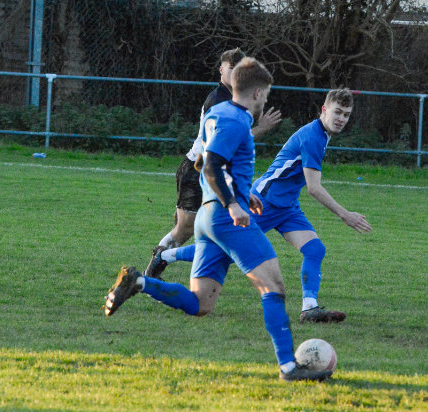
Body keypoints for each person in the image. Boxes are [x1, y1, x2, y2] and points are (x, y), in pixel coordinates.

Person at [104, 57, 331, 382]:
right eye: (266, 94)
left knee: (200, 304)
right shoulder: (235, 121)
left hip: (209, 217)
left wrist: (243, 193)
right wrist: (233, 204)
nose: (265, 101)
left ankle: (138, 282)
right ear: (256, 93)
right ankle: (288, 368)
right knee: (273, 287)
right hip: (226, 217)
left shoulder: (220, 113)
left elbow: (207, 162)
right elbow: (210, 166)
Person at [147, 89, 373, 324]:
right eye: (337, 112)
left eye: (346, 115)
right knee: (225, 252)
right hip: (264, 202)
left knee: (315, 249)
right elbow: (314, 188)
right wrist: (345, 215)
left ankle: (309, 308)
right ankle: (165, 255)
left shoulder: (322, 135)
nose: (341, 119)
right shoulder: (313, 137)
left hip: (287, 207)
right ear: (324, 110)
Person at [144, 48, 281, 277]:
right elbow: (223, 146)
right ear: (221, 70)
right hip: (197, 168)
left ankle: (197, 274)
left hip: (212, 169)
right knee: (186, 229)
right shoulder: (218, 100)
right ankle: (152, 271)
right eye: (231, 69)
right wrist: (262, 128)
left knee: (209, 227)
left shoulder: (236, 100)